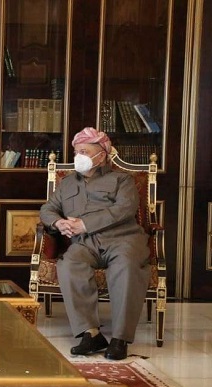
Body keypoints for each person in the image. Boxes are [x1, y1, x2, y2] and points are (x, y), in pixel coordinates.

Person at [39, 127, 150, 361]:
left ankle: (120, 339)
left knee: (126, 266)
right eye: (76, 152)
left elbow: (125, 209)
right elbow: (47, 209)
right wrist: (58, 222)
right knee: (70, 264)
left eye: (85, 152)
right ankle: (91, 334)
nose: (78, 156)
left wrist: (85, 224)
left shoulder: (122, 180)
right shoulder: (67, 183)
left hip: (123, 239)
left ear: (101, 156)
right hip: (85, 244)